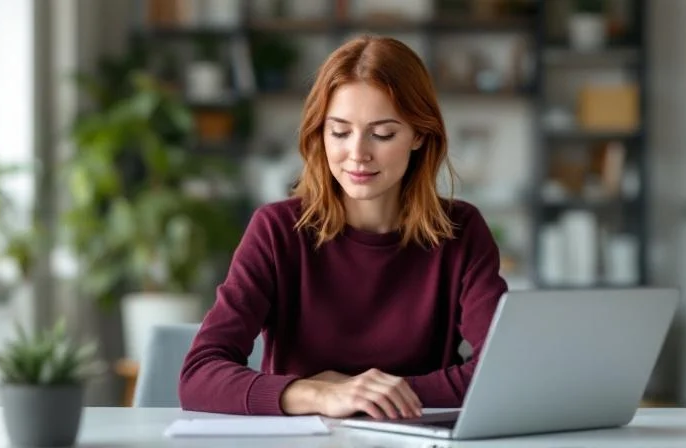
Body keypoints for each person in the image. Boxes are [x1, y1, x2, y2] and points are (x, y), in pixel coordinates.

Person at [179, 35, 508, 420]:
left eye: (383, 134)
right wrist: (319, 395)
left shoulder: (461, 231)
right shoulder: (277, 230)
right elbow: (199, 375)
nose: (357, 153)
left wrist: (362, 395)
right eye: (339, 131)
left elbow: (500, 372)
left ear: (419, 134)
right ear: (320, 133)